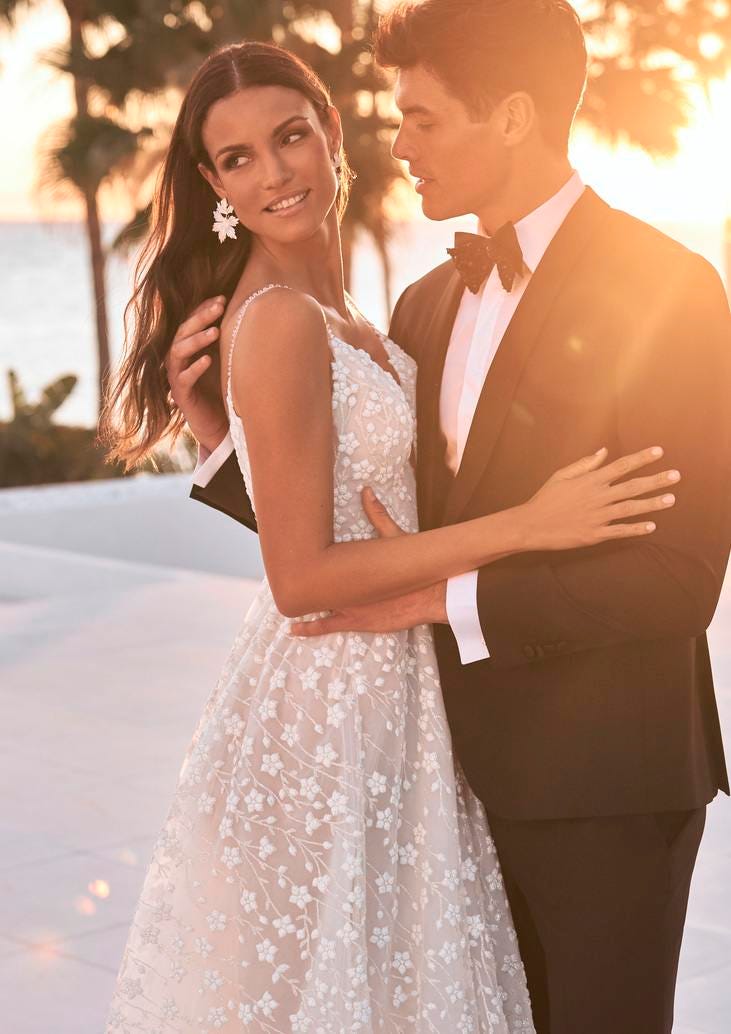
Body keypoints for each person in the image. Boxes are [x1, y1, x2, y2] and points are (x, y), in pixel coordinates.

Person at [98, 31, 684, 1034]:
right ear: (212, 182)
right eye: (236, 158)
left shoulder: (398, 308)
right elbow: (306, 570)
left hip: (504, 728)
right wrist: (526, 525)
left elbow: (362, 506)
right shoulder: (305, 313)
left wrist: (220, 441)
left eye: (289, 136)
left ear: (327, 133)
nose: (274, 171)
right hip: (344, 704)